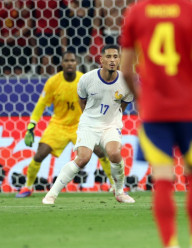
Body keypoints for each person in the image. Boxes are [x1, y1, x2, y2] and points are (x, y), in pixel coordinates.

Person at [120, 0, 192, 247]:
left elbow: (126, 70)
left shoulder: (136, 12)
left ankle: (170, 244)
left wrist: (142, 97)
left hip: (155, 111)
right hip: (189, 108)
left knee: (163, 179)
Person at [42, 45, 134, 205]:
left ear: (119, 60)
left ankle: (119, 192)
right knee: (83, 158)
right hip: (89, 124)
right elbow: (82, 102)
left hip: (111, 125)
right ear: (101, 60)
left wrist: (112, 118)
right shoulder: (87, 79)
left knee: (114, 154)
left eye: (115, 57)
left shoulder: (126, 82)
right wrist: (91, 118)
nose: (112, 60)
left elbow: (122, 106)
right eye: (109, 57)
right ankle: (51, 194)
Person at [16, 51, 114, 198]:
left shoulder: (85, 79)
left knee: (101, 152)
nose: (70, 63)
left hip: (81, 125)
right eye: (67, 61)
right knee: (39, 154)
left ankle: (115, 185)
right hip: (58, 126)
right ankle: (27, 187)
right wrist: (31, 125)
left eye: (72, 61)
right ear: (62, 64)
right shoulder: (53, 82)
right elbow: (41, 105)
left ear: (76, 63)